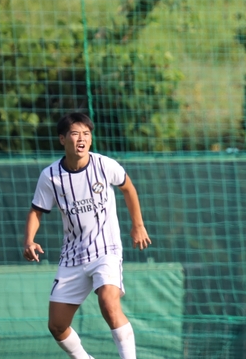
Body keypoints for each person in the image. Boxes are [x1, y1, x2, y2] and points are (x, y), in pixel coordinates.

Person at [23, 112, 152, 359]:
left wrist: (138, 225)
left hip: (106, 250)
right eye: (74, 133)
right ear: (62, 139)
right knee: (57, 326)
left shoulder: (105, 165)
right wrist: (29, 241)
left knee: (108, 303)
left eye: (86, 134)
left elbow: (128, 187)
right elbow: (36, 211)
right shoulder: (50, 176)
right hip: (72, 257)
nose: (81, 139)